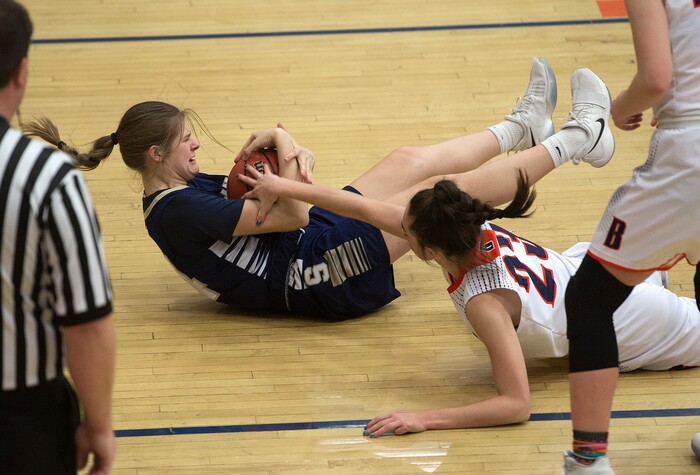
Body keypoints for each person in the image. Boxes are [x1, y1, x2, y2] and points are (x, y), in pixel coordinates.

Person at [237, 84, 700, 441]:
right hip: (581, 273)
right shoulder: (461, 222)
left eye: (406, 229)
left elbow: (516, 405)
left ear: (431, 250)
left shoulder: (482, 300)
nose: (398, 227)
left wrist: (424, 418)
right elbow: (359, 209)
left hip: (623, 321)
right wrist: (289, 189)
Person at [23, 58, 608, 323]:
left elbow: (275, 195)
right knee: (435, 197)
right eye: (184, 141)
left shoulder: (180, 187)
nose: (195, 148)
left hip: (301, 247)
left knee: (404, 159)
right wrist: (287, 148)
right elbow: (292, 217)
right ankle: (581, 139)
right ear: (156, 155)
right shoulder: (175, 212)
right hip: (312, 276)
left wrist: (289, 160)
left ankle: (521, 129)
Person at [561, 1, 700, 473]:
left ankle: (588, 459)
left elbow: (656, 78)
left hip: (689, 157)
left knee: (590, 297)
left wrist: (617, 110)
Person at [0, 1, 116, 474]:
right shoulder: (49, 177)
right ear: (21, 71)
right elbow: (86, 322)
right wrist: (100, 425)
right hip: (21, 418)